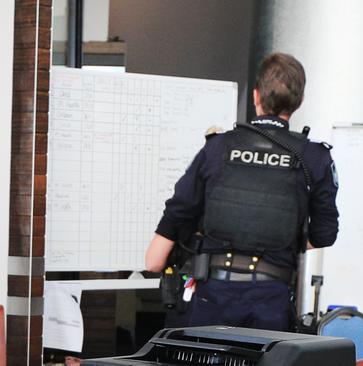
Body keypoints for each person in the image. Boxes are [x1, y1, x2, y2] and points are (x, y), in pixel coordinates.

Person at [145, 53, 339, 332]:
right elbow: (324, 234)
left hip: (211, 297)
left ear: (256, 96)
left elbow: (180, 209)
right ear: (299, 102)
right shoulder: (315, 158)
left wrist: (156, 259)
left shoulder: (217, 148)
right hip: (271, 301)